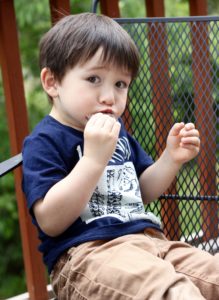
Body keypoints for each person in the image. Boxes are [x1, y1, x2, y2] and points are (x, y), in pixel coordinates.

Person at [22, 12, 219, 300]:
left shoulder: (118, 132)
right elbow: (50, 221)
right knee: (176, 293)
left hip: (151, 244)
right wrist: (92, 161)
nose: (109, 97)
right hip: (90, 255)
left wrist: (170, 159)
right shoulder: (45, 141)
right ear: (52, 82)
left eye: (120, 84)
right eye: (93, 79)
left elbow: (142, 190)